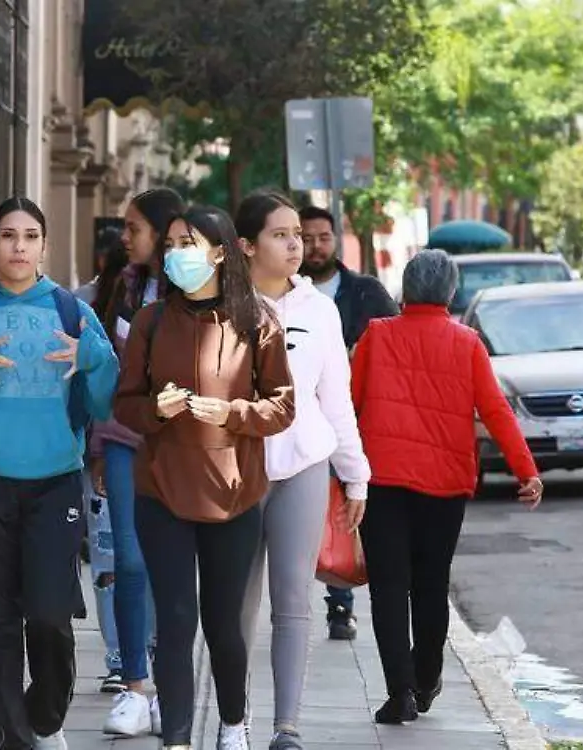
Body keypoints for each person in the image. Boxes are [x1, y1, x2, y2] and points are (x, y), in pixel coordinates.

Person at [0, 197, 119, 750]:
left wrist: (92, 360)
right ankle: (11, 737)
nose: (18, 247)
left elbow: (103, 404)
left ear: (43, 246)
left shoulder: (72, 314)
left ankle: (46, 708)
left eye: (29, 236)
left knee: (50, 612)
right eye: (7, 236)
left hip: (55, 479)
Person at [113, 205, 295, 750]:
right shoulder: (151, 321)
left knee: (224, 624)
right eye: (169, 244)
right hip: (162, 489)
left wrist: (235, 413)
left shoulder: (258, 321)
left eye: (187, 243)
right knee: (173, 621)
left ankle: (234, 725)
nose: (175, 254)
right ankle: (175, 739)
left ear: (219, 252)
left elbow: (282, 408)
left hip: (235, 492)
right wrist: (159, 411)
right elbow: (124, 407)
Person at [351, 250, 543, 724]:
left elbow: (347, 403)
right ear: (451, 293)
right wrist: (526, 471)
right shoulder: (467, 342)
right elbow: (496, 410)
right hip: (445, 485)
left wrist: (340, 469)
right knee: (431, 583)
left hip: (383, 480)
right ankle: (427, 676)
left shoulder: (377, 336)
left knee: (389, 589)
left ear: (406, 289)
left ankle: (400, 693)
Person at [235, 193, 372, 750]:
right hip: (237, 472)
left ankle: (286, 727)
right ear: (247, 246)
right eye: (280, 235)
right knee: (236, 605)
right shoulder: (221, 308)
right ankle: (232, 720)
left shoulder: (320, 310)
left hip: (305, 466)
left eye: (298, 234)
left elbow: (335, 400)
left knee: (292, 601)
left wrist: (356, 474)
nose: (295, 244)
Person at [96, 187, 186, 736]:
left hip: (181, 445)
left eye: (134, 228)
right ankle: (135, 685)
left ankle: (169, 685)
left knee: (171, 568)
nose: (124, 237)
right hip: (128, 438)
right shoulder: (119, 285)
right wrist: (100, 448)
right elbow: (109, 373)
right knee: (129, 562)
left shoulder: (197, 290)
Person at [298, 204, 399, 641]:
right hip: (298, 419)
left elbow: (396, 344)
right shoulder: (286, 294)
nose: (315, 246)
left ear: (335, 240)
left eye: (323, 237)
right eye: (307, 238)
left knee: (345, 504)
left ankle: (341, 602)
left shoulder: (364, 292)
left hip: (350, 417)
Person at [73, 231, 131, 696]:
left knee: (128, 559)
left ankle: (135, 652)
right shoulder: (83, 308)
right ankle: (118, 655)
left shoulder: (155, 311)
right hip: (99, 452)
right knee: (110, 557)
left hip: (136, 452)